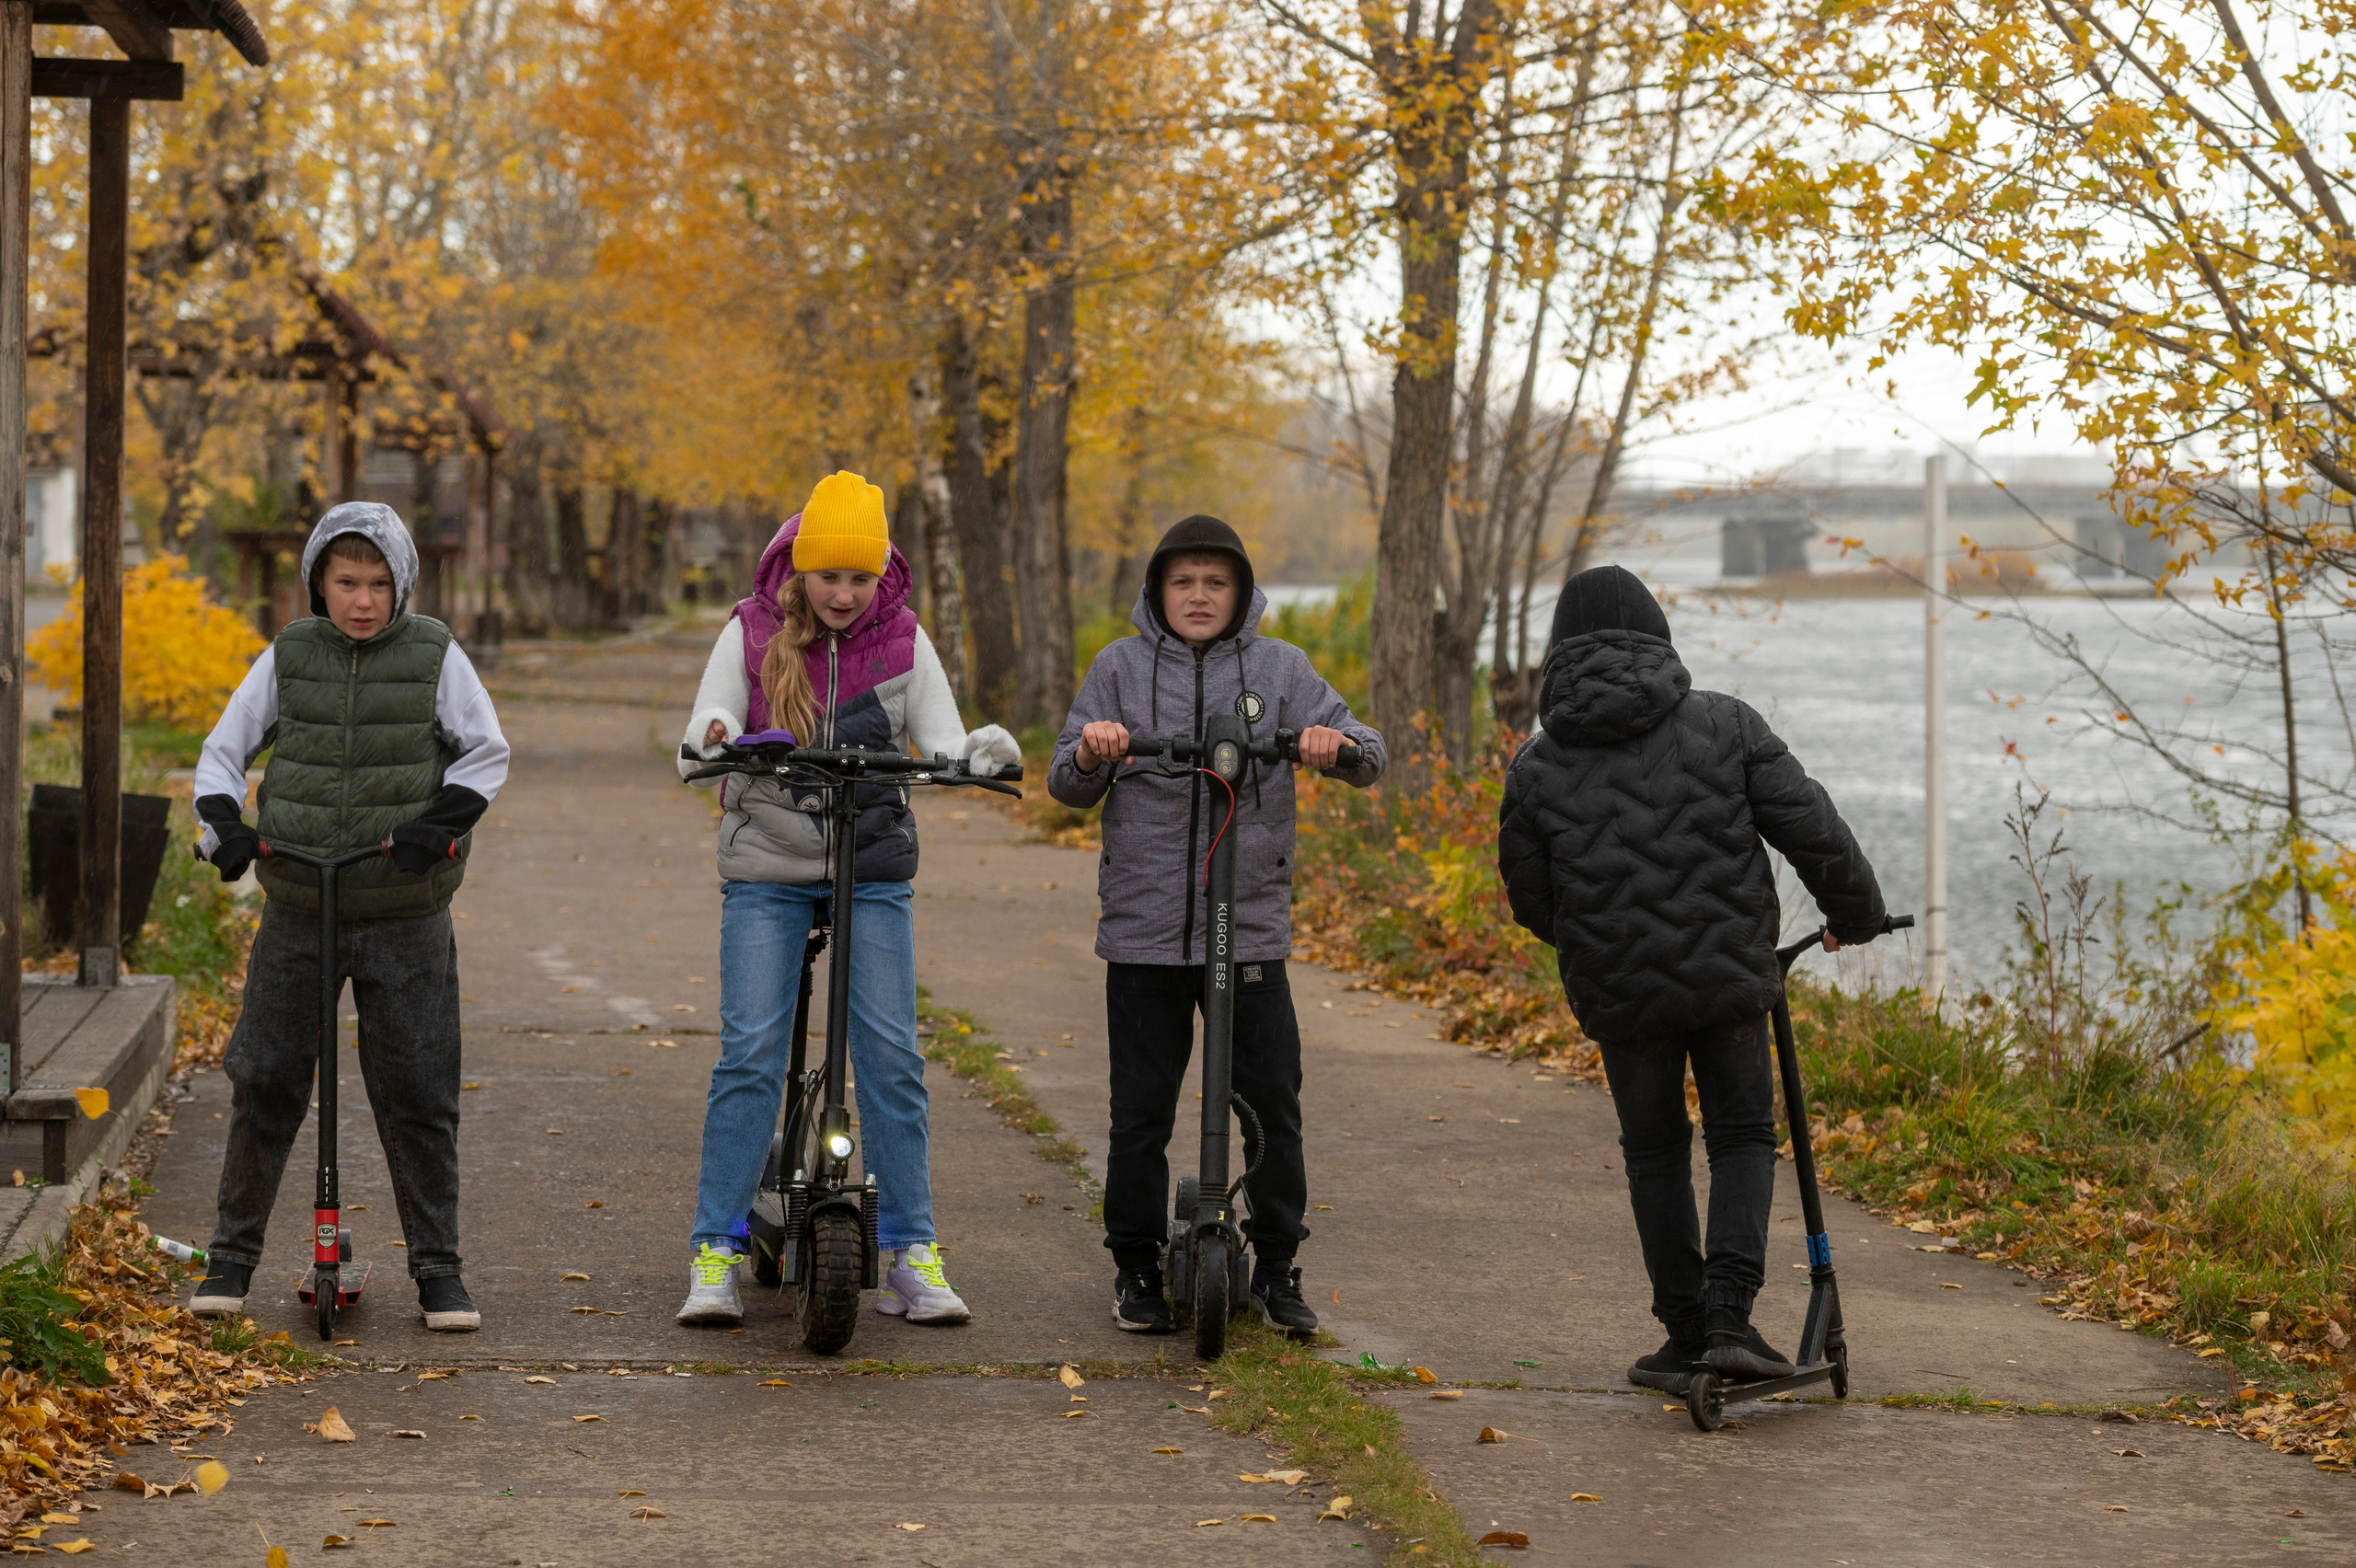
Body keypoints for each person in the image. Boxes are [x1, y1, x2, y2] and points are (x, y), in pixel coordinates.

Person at [1496, 563, 1888, 1392]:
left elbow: (1531, 899)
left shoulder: (1536, 765)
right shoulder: (1726, 724)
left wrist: (1599, 940)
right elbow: (1813, 830)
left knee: (1654, 1151)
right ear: (1658, 637)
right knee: (1741, 1135)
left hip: (1621, 993)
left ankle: (1682, 1330)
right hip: (1729, 978)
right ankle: (1728, 1319)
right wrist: (1854, 915)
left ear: (1557, 653)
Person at [675, 471, 1020, 1329]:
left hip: (870, 865)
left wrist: (976, 752)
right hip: (768, 865)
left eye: (859, 579)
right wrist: (716, 736)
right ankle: (714, 1248)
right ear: (798, 568)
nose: (843, 593)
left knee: (894, 1057)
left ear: (881, 577)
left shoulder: (903, 638)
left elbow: (940, 739)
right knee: (751, 1051)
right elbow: (712, 716)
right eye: (829, 576)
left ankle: (913, 1248)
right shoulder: (752, 631)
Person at [1048, 514, 1384, 1340]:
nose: (1199, 596)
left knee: (1272, 1105)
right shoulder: (1119, 669)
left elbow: (1368, 753)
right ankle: (1134, 1265)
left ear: (1242, 593)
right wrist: (1096, 751)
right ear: (1158, 592)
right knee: (1141, 1112)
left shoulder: (1281, 667)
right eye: (1183, 581)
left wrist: (1326, 744)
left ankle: (1277, 1264)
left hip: (1250, 931)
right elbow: (1065, 778)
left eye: (1216, 582)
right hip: (1145, 933)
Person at [187, 502, 510, 1333]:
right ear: (319, 583)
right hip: (300, 901)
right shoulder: (290, 655)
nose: (362, 601)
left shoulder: (435, 652)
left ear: (399, 585)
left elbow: (485, 751)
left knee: (417, 1090)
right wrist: (222, 825)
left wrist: (436, 827)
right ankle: (231, 1258)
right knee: (264, 1074)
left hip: (401, 905)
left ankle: (439, 1269)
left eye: (377, 584)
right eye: (345, 582)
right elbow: (225, 750)